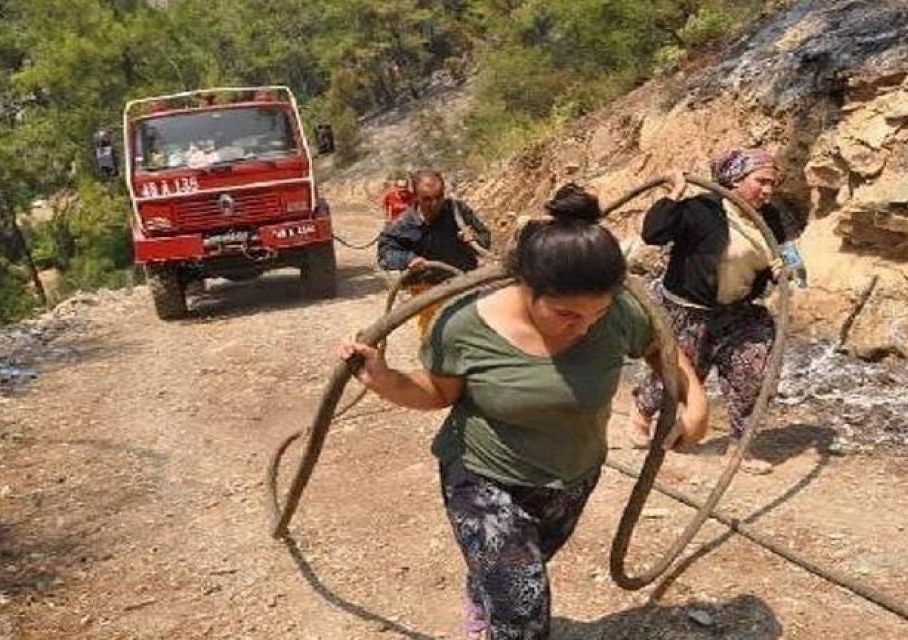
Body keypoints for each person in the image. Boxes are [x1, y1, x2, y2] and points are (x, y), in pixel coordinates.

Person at [341, 184, 709, 640]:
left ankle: (484, 590)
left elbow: (659, 347)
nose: (584, 327)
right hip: (482, 477)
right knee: (522, 609)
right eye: (567, 315)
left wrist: (695, 401)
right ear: (526, 287)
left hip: (571, 477)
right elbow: (438, 392)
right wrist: (384, 379)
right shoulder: (462, 324)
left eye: (596, 315)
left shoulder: (618, 311)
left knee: (521, 568)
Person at [628, 148, 796, 473]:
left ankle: (739, 447)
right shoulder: (703, 209)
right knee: (677, 378)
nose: (768, 190)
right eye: (761, 181)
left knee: (754, 374)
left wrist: (785, 270)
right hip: (688, 310)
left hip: (738, 313)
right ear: (735, 180)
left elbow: (790, 260)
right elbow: (653, 233)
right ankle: (642, 412)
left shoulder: (770, 219)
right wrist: (675, 194)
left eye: (772, 183)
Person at [377, 169, 492, 332]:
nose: (435, 204)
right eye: (427, 199)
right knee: (435, 335)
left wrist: (473, 238)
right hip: (428, 292)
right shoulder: (404, 223)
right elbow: (385, 254)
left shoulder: (458, 211)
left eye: (439, 197)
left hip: (463, 284)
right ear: (415, 197)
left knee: (470, 333)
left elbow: (484, 240)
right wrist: (408, 259)